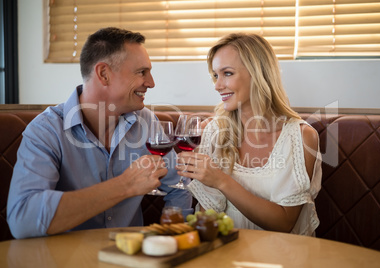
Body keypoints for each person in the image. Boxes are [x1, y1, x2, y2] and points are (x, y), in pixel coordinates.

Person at [7, 27, 193, 239]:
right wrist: (125, 185)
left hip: (130, 258)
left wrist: (171, 235)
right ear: (104, 74)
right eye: (142, 72)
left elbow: (179, 187)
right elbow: (23, 219)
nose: (151, 82)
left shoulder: (146, 123)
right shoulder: (46, 131)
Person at [177, 33, 322, 236]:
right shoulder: (213, 131)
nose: (217, 86)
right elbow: (206, 215)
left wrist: (220, 180)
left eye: (227, 73)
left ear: (258, 73)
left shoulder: (300, 137)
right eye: (215, 76)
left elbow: (284, 224)